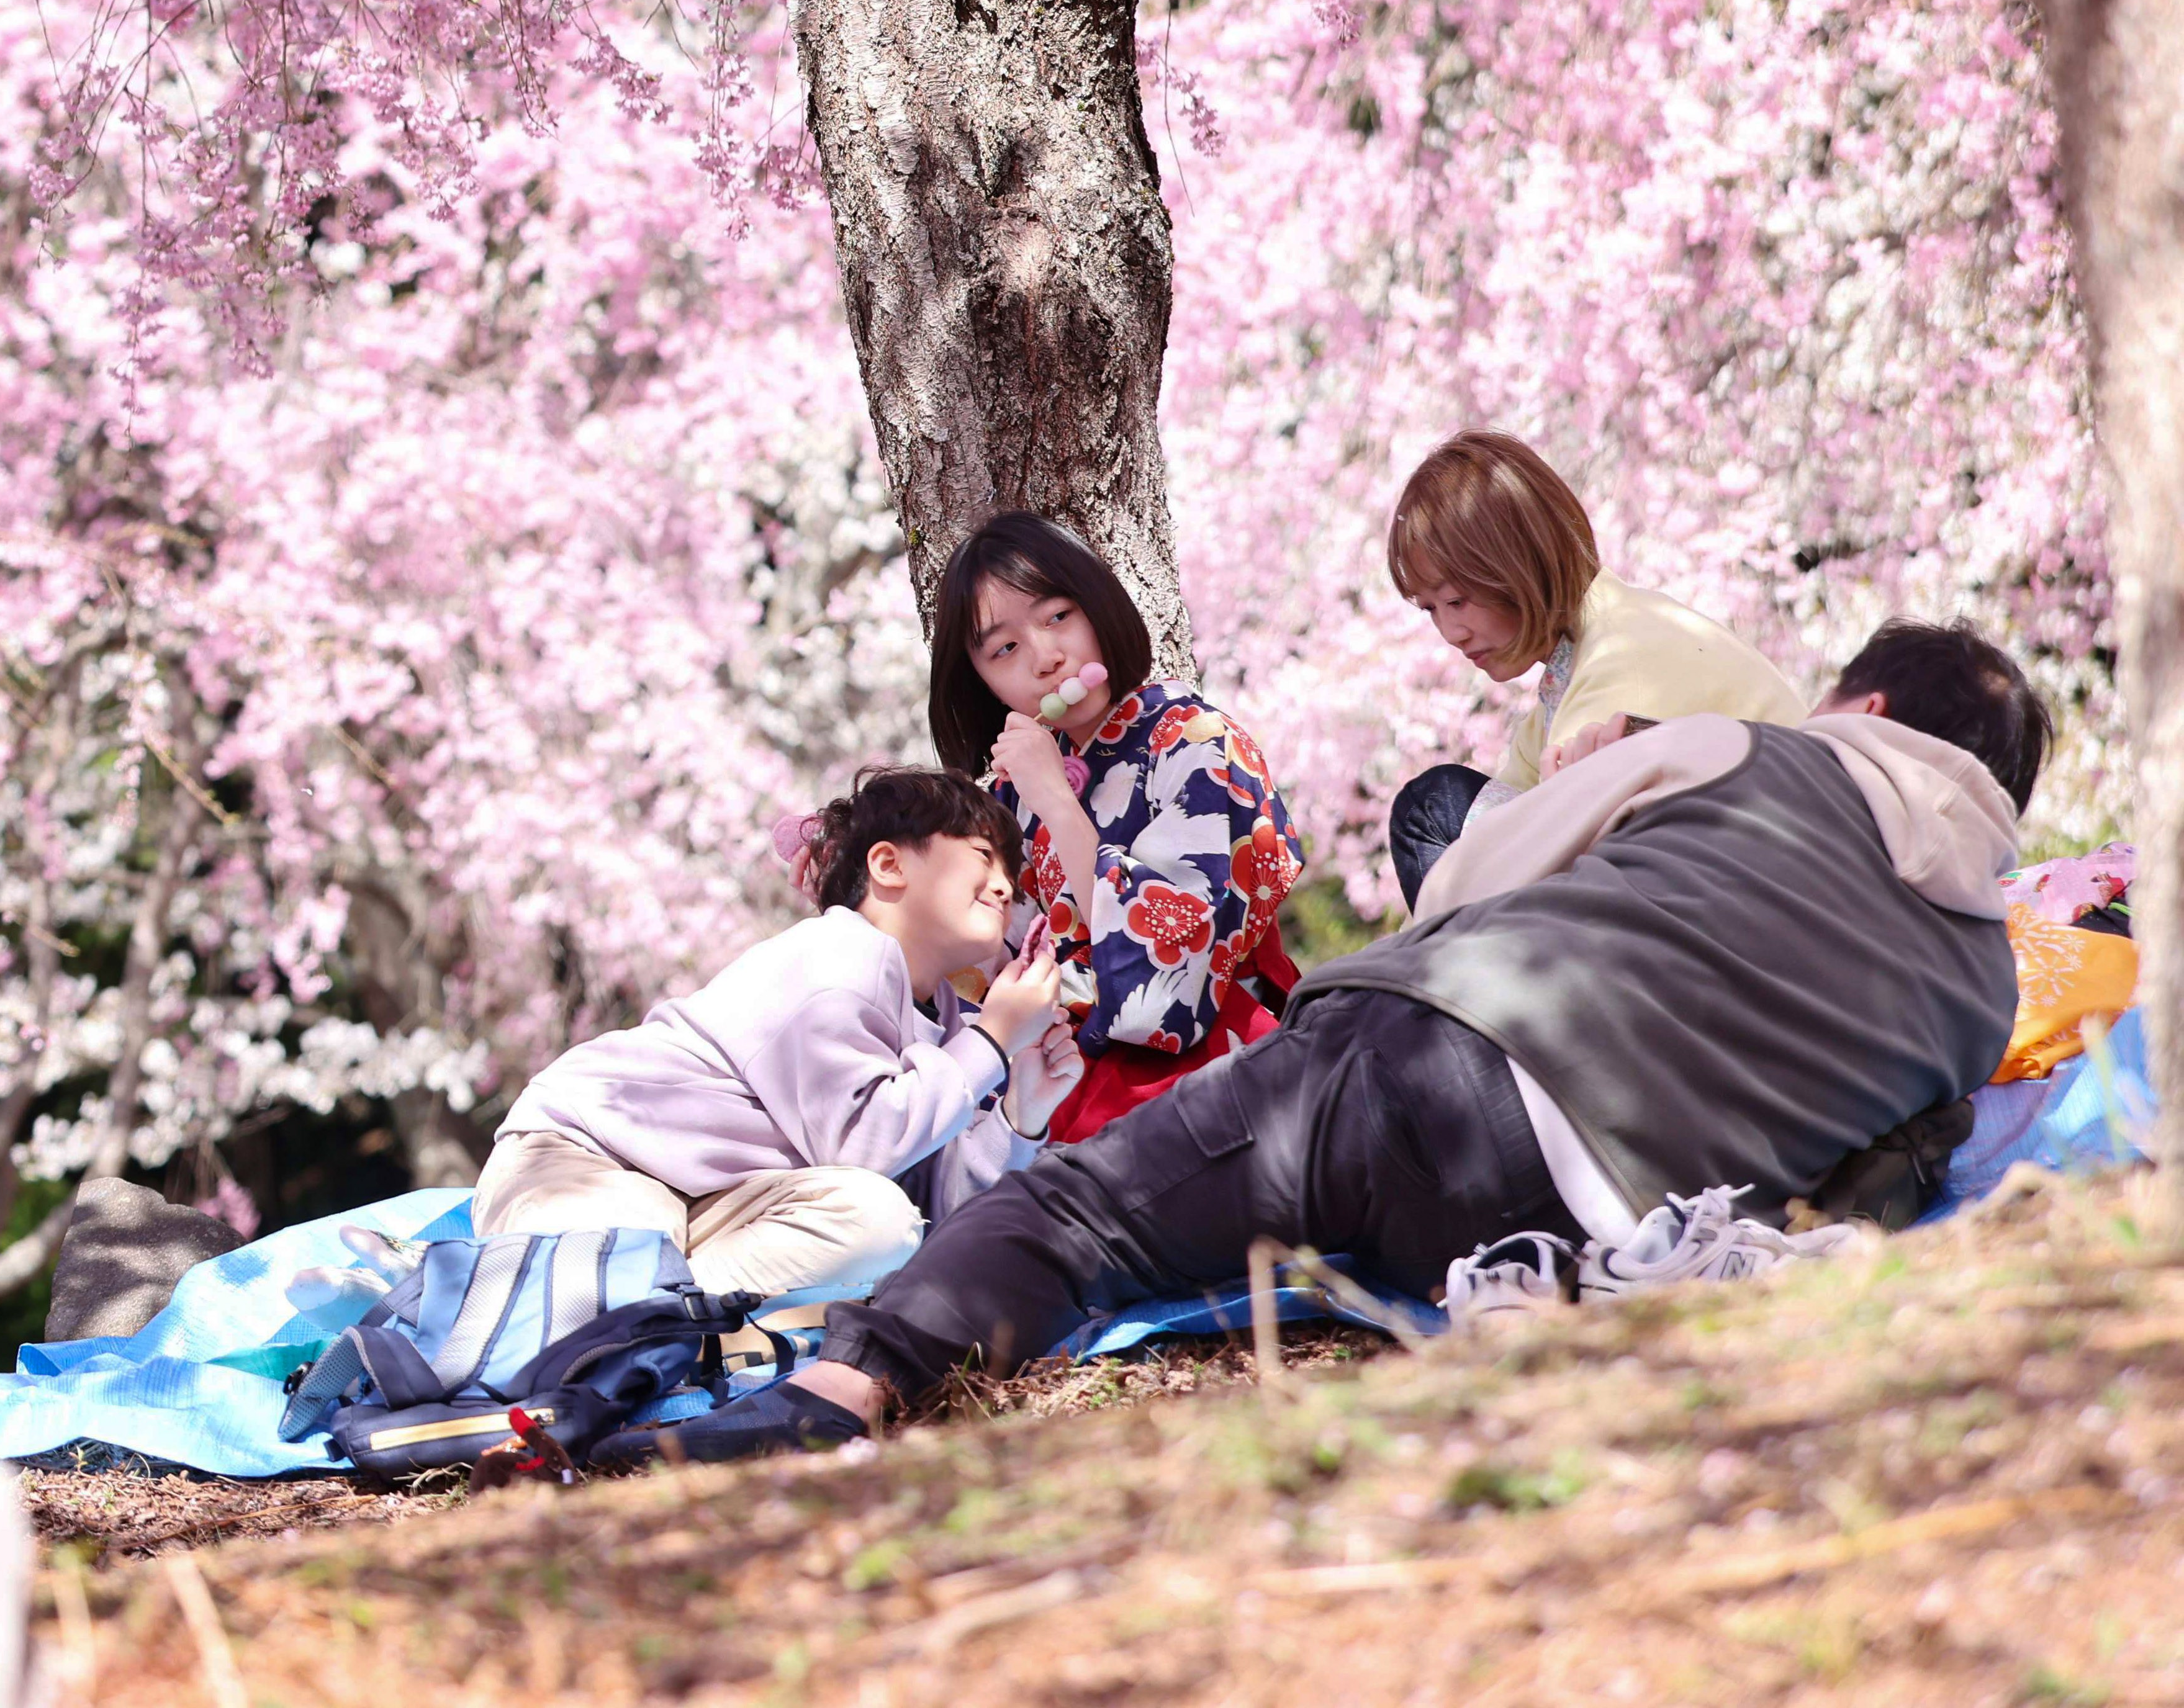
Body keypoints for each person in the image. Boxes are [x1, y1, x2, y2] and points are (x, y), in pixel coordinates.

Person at [602, 620, 2041, 1468]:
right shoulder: (1987, 977)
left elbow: (1479, 870)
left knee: (1079, 1208)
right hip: (1596, 1219)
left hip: (1442, 1063)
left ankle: (829, 1398)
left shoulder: (1753, 747)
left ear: (1860, 705)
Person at [471, 769, 1088, 1297]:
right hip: (592, 1157)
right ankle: (639, 1313)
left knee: (883, 1224)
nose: (1007, 885)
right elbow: (864, 1144)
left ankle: (673, 1317)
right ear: (888, 864)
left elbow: (926, 1203)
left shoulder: (947, 1017)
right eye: (984, 855)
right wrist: (993, 1038)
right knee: (622, 1263)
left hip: (719, 1202)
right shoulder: (841, 951)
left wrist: (1018, 1116)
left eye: (1011, 869)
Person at [930, 514, 1306, 1143]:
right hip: (1049, 1088)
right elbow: (983, 964)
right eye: (1005, 649)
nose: (1047, 658)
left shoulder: (1196, 742)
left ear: (1096, 605)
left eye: (1057, 617)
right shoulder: (1003, 795)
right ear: (982, 680)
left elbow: (1177, 973)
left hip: (1203, 1079)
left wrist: (1055, 799)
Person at [1379, 429, 1809, 898]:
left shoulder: (1625, 657)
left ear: (1519, 563)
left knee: (1431, 807)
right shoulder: (1584, 662)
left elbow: (1556, 857)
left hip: (1767, 892)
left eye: (1457, 600)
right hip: (1742, 890)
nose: (1449, 632)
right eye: (1430, 609)